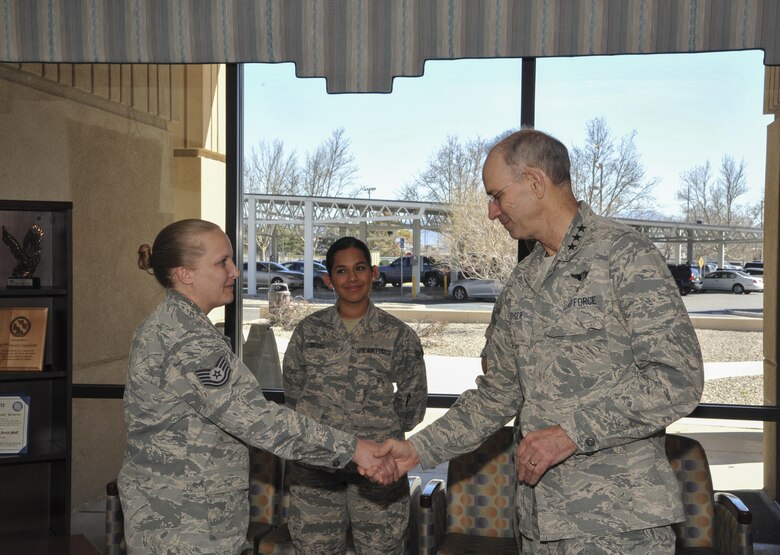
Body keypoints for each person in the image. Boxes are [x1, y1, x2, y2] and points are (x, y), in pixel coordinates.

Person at [378, 129, 704, 553]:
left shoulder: (624, 255)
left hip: (619, 525)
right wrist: (417, 450)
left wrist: (570, 433)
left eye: (497, 196)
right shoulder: (524, 280)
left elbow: (678, 379)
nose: (493, 212)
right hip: (537, 524)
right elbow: (498, 393)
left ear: (534, 182)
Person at [118, 219, 397, 555]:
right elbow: (258, 420)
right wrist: (354, 449)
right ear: (185, 274)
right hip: (181, 525)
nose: (235, 271)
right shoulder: (184, 338)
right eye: (222, 262)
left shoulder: (182, 326)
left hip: (189, 520)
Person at [283, 236, 428, 554]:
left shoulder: (398, 335)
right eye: (341, 271)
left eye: (360, 268)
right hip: (316, 468)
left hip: (378, 469)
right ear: (328, 279)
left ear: (374, 273)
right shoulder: (308, 332)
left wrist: (379, 427)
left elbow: (413, 402)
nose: (352, 278)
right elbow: (293, 394)